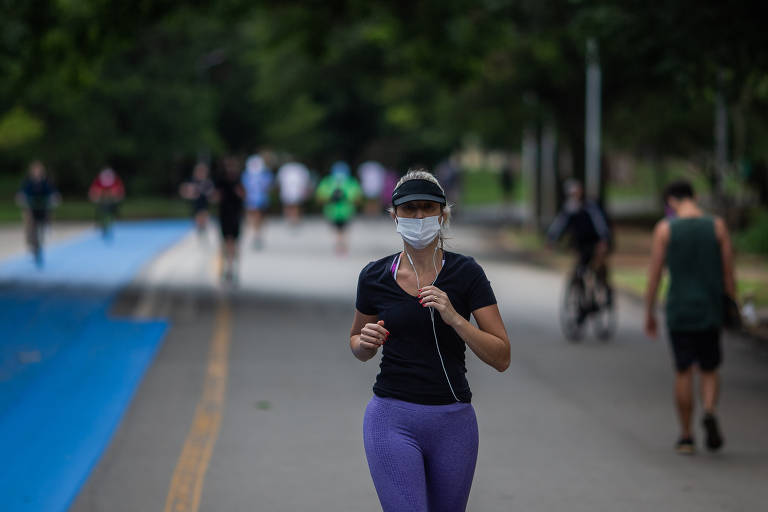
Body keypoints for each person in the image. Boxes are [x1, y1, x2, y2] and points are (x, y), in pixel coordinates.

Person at [350, 169, 510, 512]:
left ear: (443, 214)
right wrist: (365, 343)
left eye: (427, 207)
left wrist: (454, 318)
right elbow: (356, 342)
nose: (419, 216)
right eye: (409, 209)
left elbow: (501, 356)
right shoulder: (375, 276)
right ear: (394, 215)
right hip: (391, 418)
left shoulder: (467, 274)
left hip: (453, 423)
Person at [644, 180, 735, 455]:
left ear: (671, 201)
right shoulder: (717, 226)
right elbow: (728, 273)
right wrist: (731, 304)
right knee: (709, 367)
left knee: (684, 369)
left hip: (680, 310)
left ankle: (686, 436)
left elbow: (655, 274)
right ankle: (708, 409)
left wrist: (649, 311)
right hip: (710, 308)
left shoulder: (664, 229)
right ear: (695, 196)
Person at [547, 178, 613, 313]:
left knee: (598, 267)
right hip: (580, 245)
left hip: (596, 243)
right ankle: (583, 299)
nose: (574, 196)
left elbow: (601, 225)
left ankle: (604, 293)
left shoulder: (590, 207)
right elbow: (559, 225)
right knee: (580, 269)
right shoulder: (569, 209)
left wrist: (603, 241)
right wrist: (551, 239)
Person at [16, 160, 60, 267]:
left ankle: (47, 225)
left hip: (43, 208)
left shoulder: (46, 183)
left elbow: (54, 193)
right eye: (34, 170)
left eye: (38, 170)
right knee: (29, 222)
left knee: (49, 210)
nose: (36, 172)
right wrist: (21, 198)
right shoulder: (28, 183)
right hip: (32, 208)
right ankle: (32, 245)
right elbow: (21, 194)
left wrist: (54, 198)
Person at [315, 161, 362, 255]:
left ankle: (340, 245)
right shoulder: (348, 181)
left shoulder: (329, 181)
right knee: (340, 229)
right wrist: (332, 197)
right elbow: (320, 196)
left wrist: (343, 196)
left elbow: (356, 197)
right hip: (335, 211)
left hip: (343, 211)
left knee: (341, 229)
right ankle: (341, 245)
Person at [215, 157, 245, 282]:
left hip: (235, 215)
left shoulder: (240, 180)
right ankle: (226, 268)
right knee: (225, 242)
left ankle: (232, 268)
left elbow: (244, 195)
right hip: (224, 214)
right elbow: (216, 196)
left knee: (233, 243)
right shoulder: (221, 181)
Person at [241, 154, 273, 250]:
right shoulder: (264, 174)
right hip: (258, 199)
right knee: (257, 218)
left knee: (256, 218)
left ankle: (256, 235)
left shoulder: (247, 175)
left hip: (254, 199)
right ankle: (257, 235)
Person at [179, 162, 215, 238]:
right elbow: (183, 191)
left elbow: (211, 194)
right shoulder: (192, 181)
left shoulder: (207, 182)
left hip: (204, 204)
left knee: (203, 217)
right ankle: (199, 231)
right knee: (198, 219)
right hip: (196, 205)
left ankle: (203, 230)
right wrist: (190, 195)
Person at [88, 166, 125, 239]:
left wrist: (116, 197)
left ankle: (111, 222)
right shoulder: (99, 181)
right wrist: (96, 197)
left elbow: (120, 192)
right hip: (103, 202)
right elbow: (93, 192)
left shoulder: (115, 181)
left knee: (111, 212)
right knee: (101, 212)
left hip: (111, 202)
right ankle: (103, 224)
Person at [276, 160, 310, 226]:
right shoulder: (285, 168)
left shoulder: (286, 168)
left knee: (295, 205)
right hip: (288, 190)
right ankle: (290, 219)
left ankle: (294, 219)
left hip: (295, 190)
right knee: (289, 205)